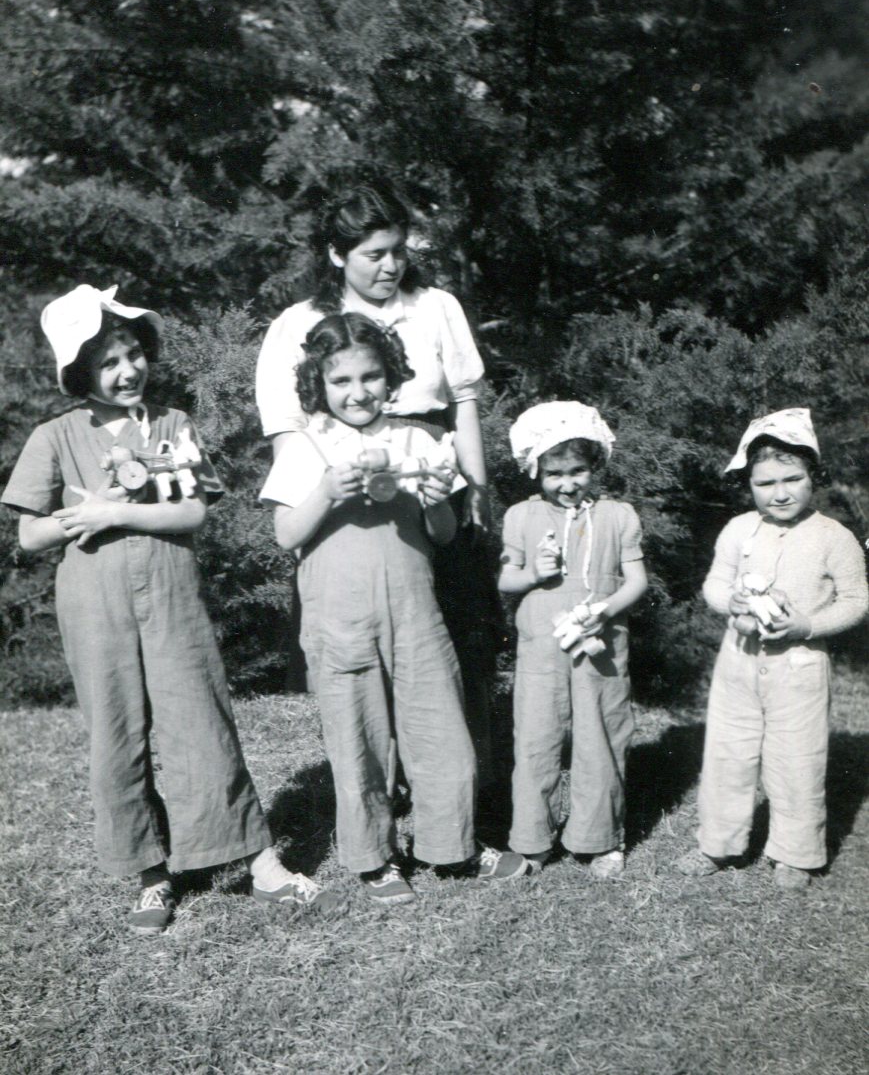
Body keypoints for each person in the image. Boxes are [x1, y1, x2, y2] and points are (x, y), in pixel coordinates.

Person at [1, 284, 343, 936]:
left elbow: (192, 512)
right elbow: (30, 534)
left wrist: (115, 512)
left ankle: (262, 865)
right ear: (79, 373)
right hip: (93, 605)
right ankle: (150, 875)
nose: (127, 370)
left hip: (170, 594)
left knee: (200, 718)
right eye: (108, 362)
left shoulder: (173, 425)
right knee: (116, 734)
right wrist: (80, 516)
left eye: (133, 354)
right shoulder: (55, 436)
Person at [259, 312, 528, 905]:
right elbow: (285, 534)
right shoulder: (306, 445)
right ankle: (374, 858)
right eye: (341, 381)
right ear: (318, 384)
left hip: (415, 612)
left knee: (441, 729)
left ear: (392, 378)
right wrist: (327, 492)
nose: (358, 393)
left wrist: (435, 502)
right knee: (360, 738)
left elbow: (443, 534)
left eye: (371, 377)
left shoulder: (419, 441)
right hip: (340, 617)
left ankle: (452, 844)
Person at [255, 179, 501, 782]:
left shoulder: (436, 307)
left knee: (448, 635)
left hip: (431, 474)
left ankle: (463, 782)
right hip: (343, 489)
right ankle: (381, 783)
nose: (391, 266)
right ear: (336, 254)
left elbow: (463, 402)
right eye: (374, 255)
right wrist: (323, 489)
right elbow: (287, 428)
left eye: (398, 251)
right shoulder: (298, 322)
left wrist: (476, 487)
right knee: (360, 646)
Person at [677, 408, 868, 891]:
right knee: (728, 753)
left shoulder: (835, 537)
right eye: (765, 483)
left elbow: (856, 601)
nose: (780, 493)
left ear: (813, 476)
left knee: (797, 759)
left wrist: (807, 625)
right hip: (738, 661)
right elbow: (715, 584)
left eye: (792, 479)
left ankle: (795, 853)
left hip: (800, 666)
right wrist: (731, 600)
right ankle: (718, 843)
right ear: (748, 484)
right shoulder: (739, 529)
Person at [498, 401, 649, 878]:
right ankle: (532, 839)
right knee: (536, 739)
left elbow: (637, 581)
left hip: (601, 646)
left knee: (600, 735)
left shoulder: (617, 515)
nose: (567, 484)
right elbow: (505, 579)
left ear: (595, 465)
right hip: (541, 648)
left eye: (577, 471)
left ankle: (599, 837)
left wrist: (605, 609)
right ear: (535, 471)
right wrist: (531, 574)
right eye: (554, 474)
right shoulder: (521, 516)